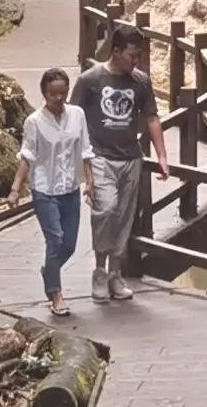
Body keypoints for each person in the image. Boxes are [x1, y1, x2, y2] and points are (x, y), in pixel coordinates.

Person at [71, 21, 167, 305]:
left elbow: (151, 117)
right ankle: (99, 272)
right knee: (106, 210)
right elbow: (74, 119)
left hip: (130, 156)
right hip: (99, 155)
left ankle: (115, 273)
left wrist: (161, 156)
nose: (136, 61)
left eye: (138, 56)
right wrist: (76, 163)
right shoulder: (90, 80)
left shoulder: (141, 82)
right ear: (115, 51)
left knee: (125, 216)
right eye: (131, 55)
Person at [19, 65, 91, 318]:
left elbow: (85, 150)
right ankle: (56, 293)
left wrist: (90, 182)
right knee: (55, 239)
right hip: (44, 189)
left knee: (69, 244)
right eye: (53, 94)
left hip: (70, 187)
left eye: (63, 93)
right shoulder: (34, 122)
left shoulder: (77, 115)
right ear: (44, 92)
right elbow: (27, 155)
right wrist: (15, 188)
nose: (58, 99)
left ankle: (50, 270)